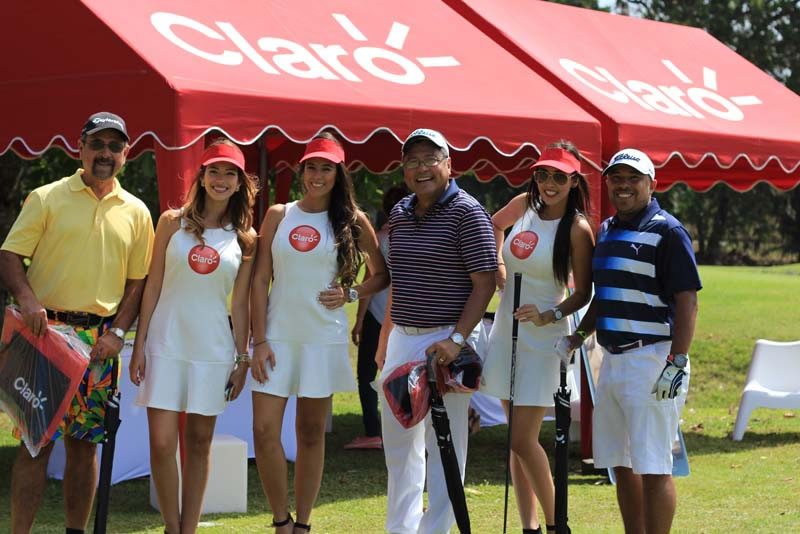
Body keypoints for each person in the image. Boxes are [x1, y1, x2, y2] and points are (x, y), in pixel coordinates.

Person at [0, 112, 154, 534]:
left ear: (126, 153)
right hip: (44, 337)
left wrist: (119, 332)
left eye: (114, 146)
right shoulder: (46, 197)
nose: (105, 153)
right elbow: (9, 255)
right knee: (34, 446)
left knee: (85, 448)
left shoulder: (137, 212)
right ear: (80, 148)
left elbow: (138, 282)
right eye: (97, 144)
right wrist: (28, 301)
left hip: (99, 344)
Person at [249, 132, 388, 533]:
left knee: (311, 432)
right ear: (301, 171)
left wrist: (351, 292)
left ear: (338, 174)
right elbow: (259, 280)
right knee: (264, 431)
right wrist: (259, 339)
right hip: (276, 337)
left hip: (322, 338)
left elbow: (381, 275)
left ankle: (304, 524)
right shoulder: (278, 214)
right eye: (311, 167)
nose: (317, 175)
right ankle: (281, 521)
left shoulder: (352, 220)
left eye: (326, 168)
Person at [561, 148, 701, 534]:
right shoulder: (606, 229)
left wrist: (677, 361)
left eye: (633, 179)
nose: (623, 185)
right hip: (613, 359)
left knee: (653, 465)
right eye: (616, 178)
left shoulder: (668, 231)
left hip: (654, 359)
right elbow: (605, 296)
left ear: (651, 184)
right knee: (620, 463)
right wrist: (577, 336)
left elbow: (687, 301)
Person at [129, 138, 257, 534]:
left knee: (200, 443)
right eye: (214, 171)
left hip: (213, 350)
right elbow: (152, 285)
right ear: (201, 177)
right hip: (165, 344)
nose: (221, 179)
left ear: (240, 183)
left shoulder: (245, 238)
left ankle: (189, 528)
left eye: (230, 173)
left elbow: (240, 305)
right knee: (162, 443)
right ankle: (172, 526)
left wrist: (242, 359)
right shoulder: (171, 222)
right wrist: (139, 344)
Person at [377, 128, 497, 534]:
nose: (421, 168)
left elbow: (485, 283)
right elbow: (400, 280)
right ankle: (401, 528)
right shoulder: (400, 212)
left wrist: (457, 340)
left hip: (449, 338)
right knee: (399, 439)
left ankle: (435, 529)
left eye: (430, 159)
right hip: (404, 335)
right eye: (412, 161)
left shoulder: (468, 212)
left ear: (449, 164)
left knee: (445, 442)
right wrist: (387, 337)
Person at [481, 141, 594, 534]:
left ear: (574, 181)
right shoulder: (523, 204)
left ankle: (556, 524)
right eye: (543, 174)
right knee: (516, 441)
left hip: (544, 340)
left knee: (522, 440)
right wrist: (498, 266)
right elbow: (493, 224)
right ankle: (528, 526)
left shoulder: (577, 229)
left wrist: (550, 315)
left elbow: (583, 293)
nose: (549, 183)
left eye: (559, 177)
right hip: (506, 331)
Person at [345, 185, 408, 450]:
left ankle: (373, 431)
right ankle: (406, 426)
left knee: (367, 374)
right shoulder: (417, 236)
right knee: (403, 375)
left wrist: (359, 320)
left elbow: (371, 280)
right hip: (406, 319)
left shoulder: (381, 238)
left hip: (378, 317)